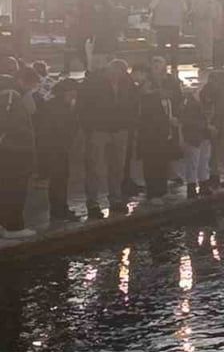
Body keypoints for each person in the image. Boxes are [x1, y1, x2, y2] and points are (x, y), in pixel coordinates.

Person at [79, 58, 137, 216]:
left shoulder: (127, 83)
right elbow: (82, 105)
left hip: (120, 129)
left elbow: (133, 103)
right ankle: (93, 202)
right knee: (95, 167)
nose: (117, 76)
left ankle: (115, 198)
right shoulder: (93, 82)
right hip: (98, 129)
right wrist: (88, 127)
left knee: (117, 167)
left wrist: (129, 123)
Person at [0, 73, 36, 238]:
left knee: (5, 189)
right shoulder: (11, 95)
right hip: (14, 151)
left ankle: (4, 224)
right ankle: (14, 227)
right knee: (15, 190)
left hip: (8, 150)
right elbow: (12, 123)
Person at [38, 79, 78, 224]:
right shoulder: (57, 107)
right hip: (55, 148)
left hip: (58, 148)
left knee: (60, 179)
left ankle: (59, 208)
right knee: (59, 179)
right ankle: (59, 209)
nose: (74, 95)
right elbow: (59, 128)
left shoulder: (56, 105)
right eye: (72, 92)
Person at [136, 69, 179, 204]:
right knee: (151, 165)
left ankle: (162, 190)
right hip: (151, 136)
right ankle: (152, 193)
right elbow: (150, 119)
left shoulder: (163, 99)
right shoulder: (148, 99)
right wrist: (168, 121)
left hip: (164, 135)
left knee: (162, 163)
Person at [203, 69, 224, 189]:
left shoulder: (214, 91)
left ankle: (216, 176)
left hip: (217, 124)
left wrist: (213, 124)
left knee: (215, 152)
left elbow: (214, 109)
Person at [178, 86, 212, 198]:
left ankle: (196, 186)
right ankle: (197, 186)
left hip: (198, 136)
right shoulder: (192, 105)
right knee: (196, 162)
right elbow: (189, 121)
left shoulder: (190, 103)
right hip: (195, 136)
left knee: (199, 162)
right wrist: (206, 126)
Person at [150, 0, 188, 71]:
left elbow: (151, 6)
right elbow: (185, 9)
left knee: (161, 47)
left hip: (161, 24)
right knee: (174, 47)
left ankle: (162, 66)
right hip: (175, 25)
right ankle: (174, 66)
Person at [189, 0, 220, 68]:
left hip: (207, 22)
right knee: (198, 41)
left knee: (207, 41)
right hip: (197, 22)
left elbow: (213, 12)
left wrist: (206, 15)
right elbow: (193, 10)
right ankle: (199, 59)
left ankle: (208, 60)